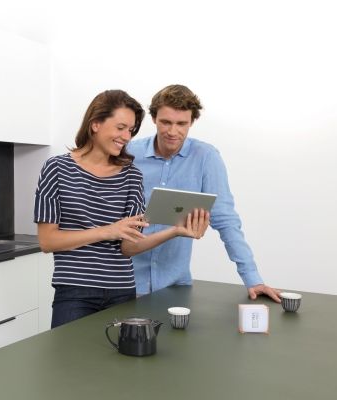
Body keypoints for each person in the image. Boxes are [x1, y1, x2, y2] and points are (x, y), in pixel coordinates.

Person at [34, 89, 210, 328]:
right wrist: (107, 231)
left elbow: (128, 247)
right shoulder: (56, 168)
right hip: (75, 292)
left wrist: (176, 230)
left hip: (122, 291)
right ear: (95, 124)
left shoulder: (131, 175)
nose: (126, 136)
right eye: (120, 127)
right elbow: (48, 241)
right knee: (68, 353)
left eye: (131, 130)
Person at [127, 84, 281, 302]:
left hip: (174, 287)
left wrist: (253, 279)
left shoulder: (206, 157)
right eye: (166, 122)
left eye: (181, 124)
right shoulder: (128, 154)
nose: (173, 131)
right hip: (124, 282)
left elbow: (226, 220)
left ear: (192, 121)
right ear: (153, 118)